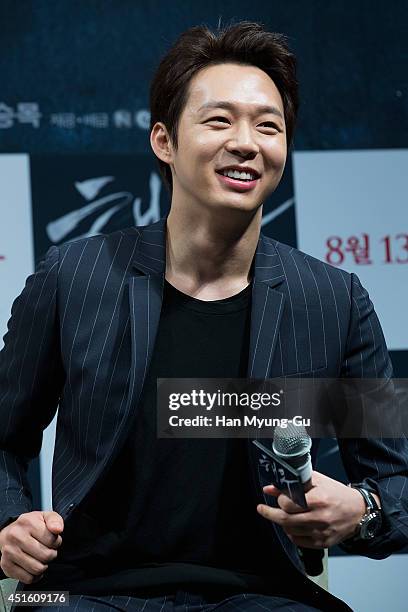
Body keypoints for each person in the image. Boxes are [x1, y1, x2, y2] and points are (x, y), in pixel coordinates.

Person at [0, 21, 407, 612]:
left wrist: (361, 513)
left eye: (269, 126)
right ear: (164, 141)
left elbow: (395, 482)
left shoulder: (332, 301)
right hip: (80, 591)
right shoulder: (77, 277)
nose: (246, 142)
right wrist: (9, 521)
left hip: (265, 595)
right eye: (219, 120)